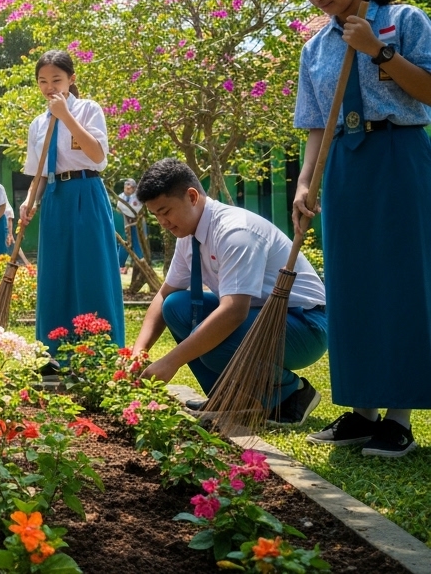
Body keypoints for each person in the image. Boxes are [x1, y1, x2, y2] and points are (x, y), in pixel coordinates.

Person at [291, 0, 431, 458]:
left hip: (399, 156)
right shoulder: (315, 47)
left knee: (401, 283)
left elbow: (430, 91)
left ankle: (398, 417)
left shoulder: (407, 21)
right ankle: (361, 411)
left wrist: (379, 52)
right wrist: (307, 181)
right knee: (352, 284)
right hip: (345, 166)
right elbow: (313, 125)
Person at [131, 159, 327, 425]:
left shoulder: (235, 231)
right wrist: (139, 351)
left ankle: (292, 394)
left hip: (305, 325)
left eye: (165, 211)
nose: (162, 222)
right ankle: (228, 398)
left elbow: (234, 313)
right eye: (155, 215)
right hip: (260, 318)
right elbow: (165, 295)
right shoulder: (188, 235)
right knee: (176, 306)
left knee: (214, 339)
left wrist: (170, 362)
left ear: (192, 196)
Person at [18, 49, 125, 377]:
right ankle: (51, 355)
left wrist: (66, 116)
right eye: (42, 81)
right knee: (54, 274)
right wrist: (28, 200)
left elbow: (97, 156)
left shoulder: (88, 110)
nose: (50, 87)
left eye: (57, 79)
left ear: (72, 79)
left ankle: (99, 353)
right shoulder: (37, 124)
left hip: (86, 193)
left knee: (92, 271)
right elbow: (39, 172)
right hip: (54, 197)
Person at [115, 178, 142, 274]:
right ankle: (119, 265)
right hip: (124, 223)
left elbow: (136, 209)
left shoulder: (138, 198)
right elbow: (120, 208)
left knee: (137, 242)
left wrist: (129, 212)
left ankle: (140, 262)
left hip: (136, 223)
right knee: (124, 243)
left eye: (131, 186)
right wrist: (128, 212)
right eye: (127, 185)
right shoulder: (120, 197)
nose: (128, 188)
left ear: (134, 188)